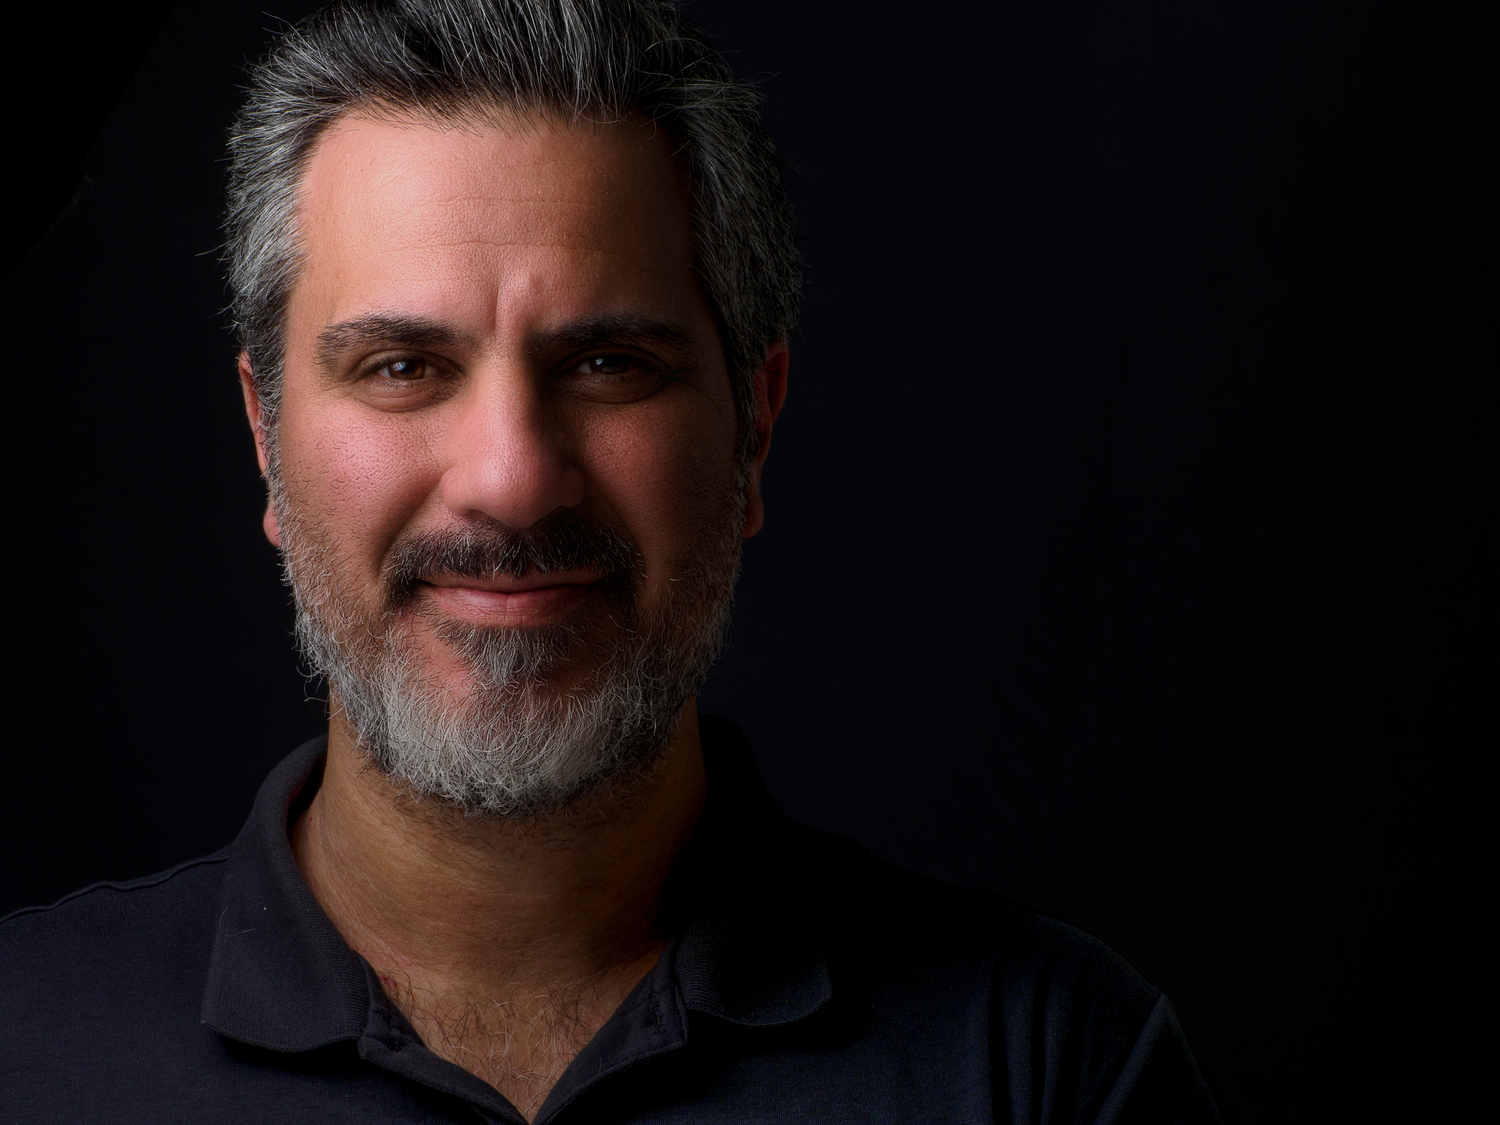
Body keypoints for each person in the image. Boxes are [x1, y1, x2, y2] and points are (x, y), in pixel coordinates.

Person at [2, 2, 1222, 1121]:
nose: (512, 478)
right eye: (403, 368)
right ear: (268, 439)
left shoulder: (1047, 1066)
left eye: (607, 365)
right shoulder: (23, 1050)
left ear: (753, 429)